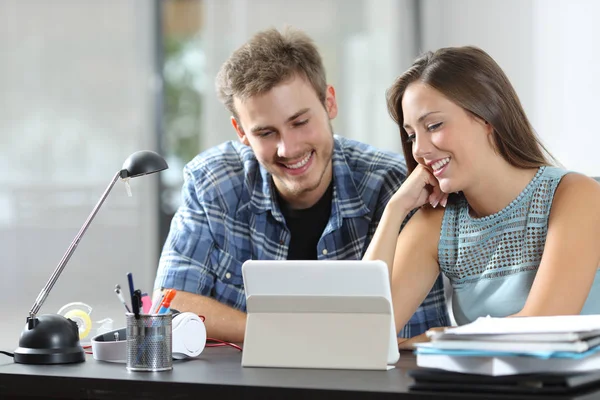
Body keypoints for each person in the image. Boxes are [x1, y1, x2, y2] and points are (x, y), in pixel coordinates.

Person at [153, 27, 450, 343]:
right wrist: (294, 335)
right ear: (241, 132)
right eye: (266, 133)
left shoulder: (392, 185)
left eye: (299, 122)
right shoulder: (214, 182)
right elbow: (169, 305)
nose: (288, 148)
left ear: (329, 103)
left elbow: (418, 337)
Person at [364, 45, 600, 347]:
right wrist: (394, 209)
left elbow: (542, 329)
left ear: (487, 116)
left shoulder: (576, 196)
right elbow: (365, 333)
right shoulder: (438, 224)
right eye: (411, 135)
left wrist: (434, 336)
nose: (419, 150)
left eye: (433, 126)